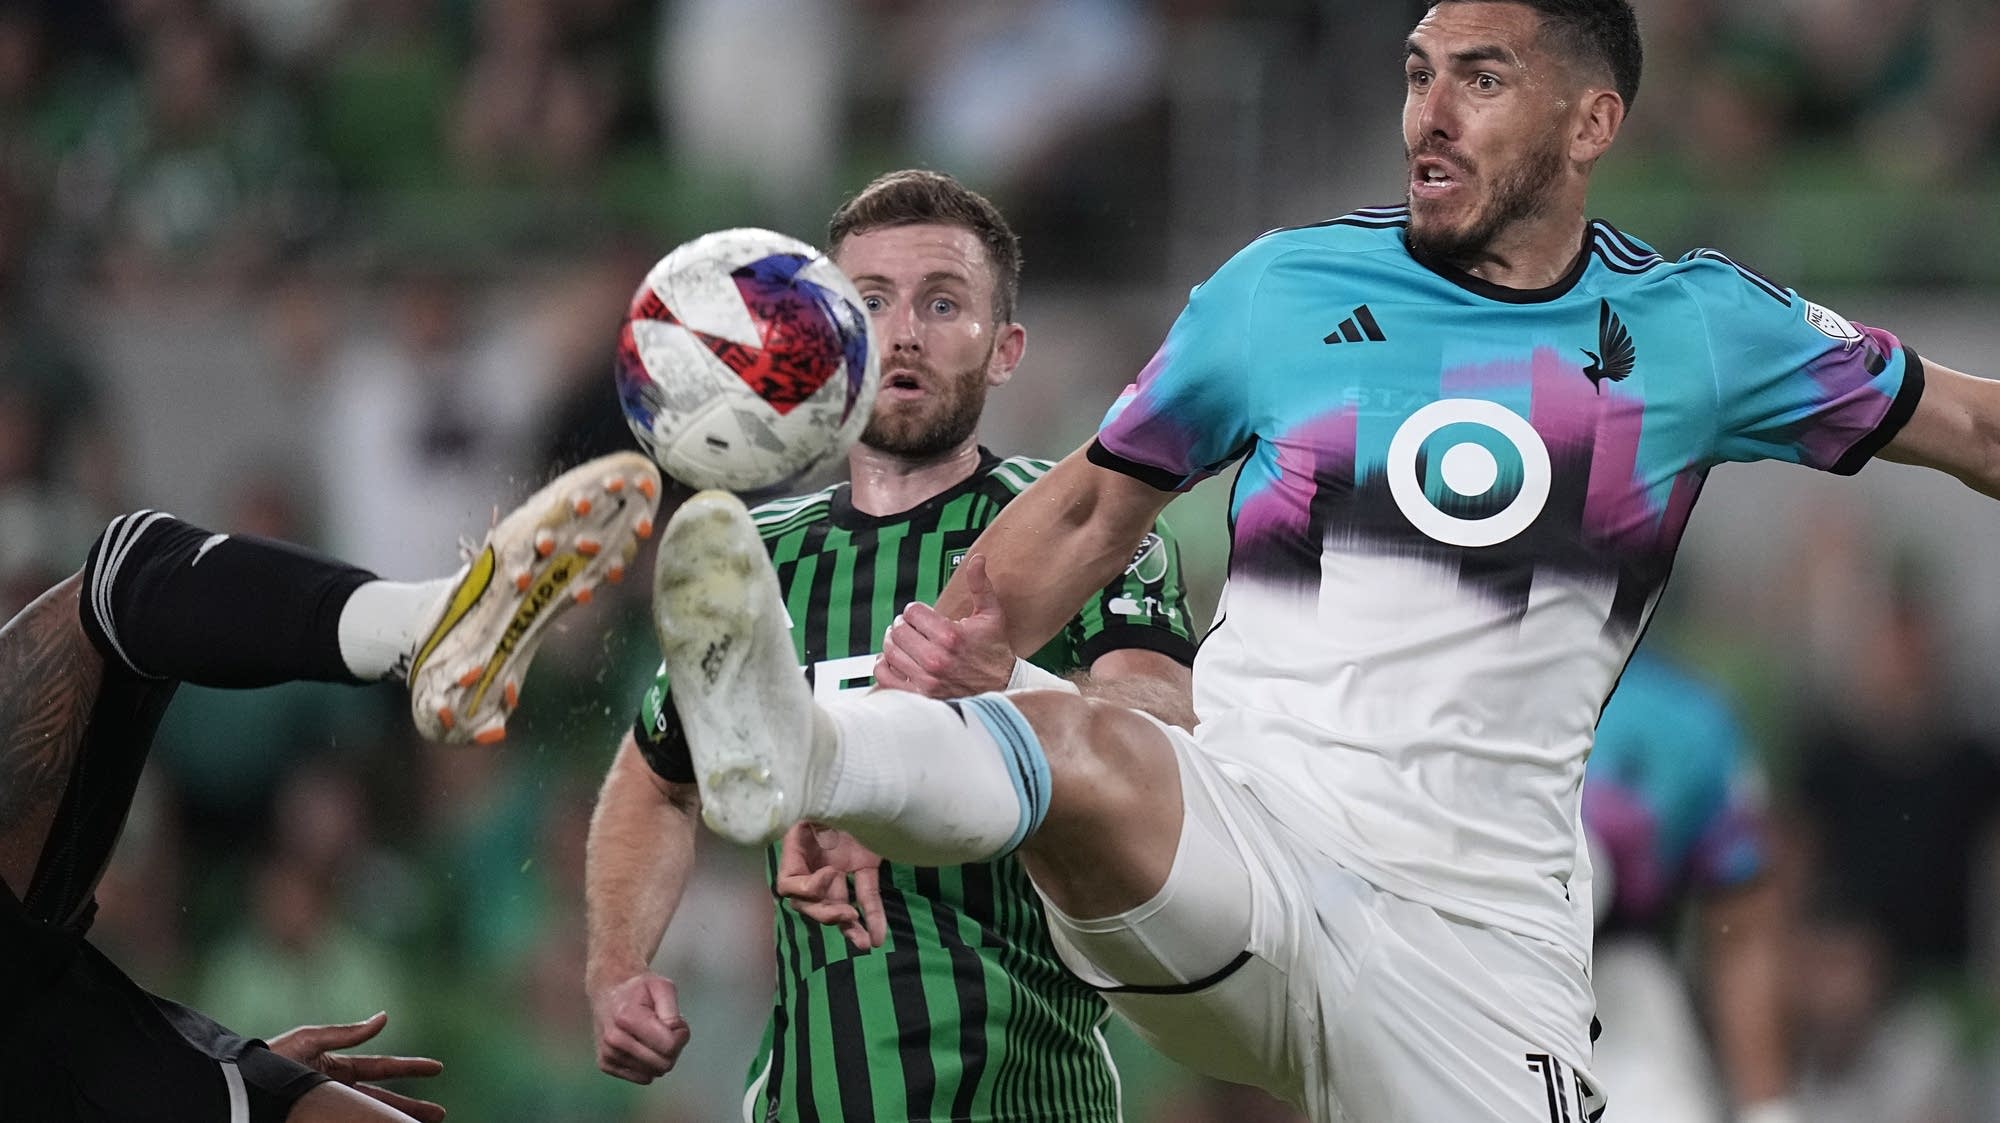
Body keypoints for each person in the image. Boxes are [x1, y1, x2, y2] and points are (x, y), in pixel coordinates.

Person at [643, 0, 2000, 1117]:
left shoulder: (1695, 326)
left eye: (1480, 78)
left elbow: (1973, 424)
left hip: (1478, 947)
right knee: (1073, 736)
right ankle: (810, 740)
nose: (1429, 112)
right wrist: (881, 749)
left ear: (1591, 123)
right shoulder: (1279, 290)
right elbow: (1085, 513)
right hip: (1248, 838)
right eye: (1415, 74)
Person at [584, 168, 1199, 1121]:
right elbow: (660, 774)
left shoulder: (1077, 527)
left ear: (1006, 350)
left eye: (942, 303)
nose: (903, 331)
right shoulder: (759, 558)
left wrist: (1014, 685)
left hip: (1030, 1097)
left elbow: (1171, 736)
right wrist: (618, 966)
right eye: (869, 302)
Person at [0, 450, 662, 1122]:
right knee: (127, 576)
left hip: (58, 1031)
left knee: (129, 580)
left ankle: (431, 630)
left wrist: (223, 1075)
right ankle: (426, 630)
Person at [1584, 646, 1792, 1123]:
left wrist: (1770, 1111)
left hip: (1615, 988)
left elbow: (1741, 931)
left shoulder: (1687, 719)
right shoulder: (1432, 674)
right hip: (1451, 962)